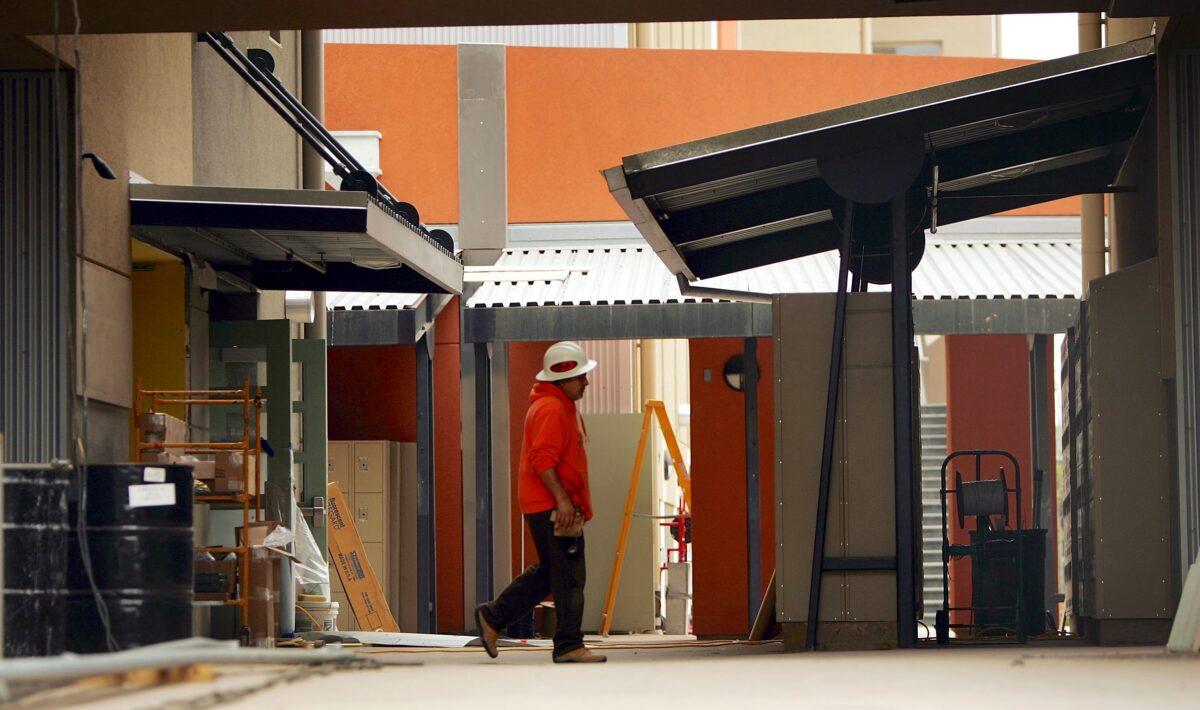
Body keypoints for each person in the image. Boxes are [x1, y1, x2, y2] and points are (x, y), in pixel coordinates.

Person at [475, 341, 606, 664]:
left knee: (551, 573)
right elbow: (542, 459)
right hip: (552, 507)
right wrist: (562, 501)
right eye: (581, 377)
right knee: (570, 576)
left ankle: (493, 617)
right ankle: (568, 644)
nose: (586, 382)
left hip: (548, 505)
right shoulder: (551, 409)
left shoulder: (558, 406)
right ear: (563, 379)